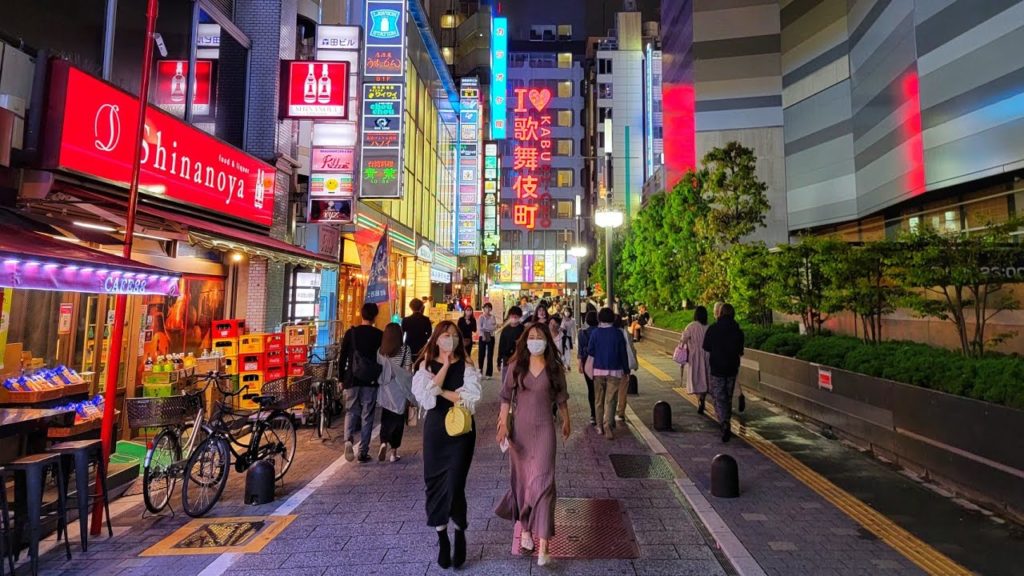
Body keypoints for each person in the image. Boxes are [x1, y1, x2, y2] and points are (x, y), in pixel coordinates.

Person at [495, 323, 570, 567]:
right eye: (531, 337)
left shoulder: (554, 368)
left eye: (539, 337)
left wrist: (567, 420)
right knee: (524, 482)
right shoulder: (517, 366)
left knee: (544, 483)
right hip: (521, 431)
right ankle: (525, 529)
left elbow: (561, 398)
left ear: (547, 341)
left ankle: (544, 545)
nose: (535, 340)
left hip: (546, 429)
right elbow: (506, 398)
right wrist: (503, 424)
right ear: (525, 341)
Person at [412, 321, 482, 569]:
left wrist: (439, 390)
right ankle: (443, 537)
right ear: (436, 339)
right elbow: (424, 398)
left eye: (454, 336)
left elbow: (470, 398)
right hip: (435, 433)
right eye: (445, 335)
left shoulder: (468, 366)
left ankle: (460, 530)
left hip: (461, 432)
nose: (449, 339)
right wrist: (444, 370)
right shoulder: (426, 366)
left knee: (455, 483)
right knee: (434, 484)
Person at [339, 303, 384, 463]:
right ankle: (363, 451)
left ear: (361, 314)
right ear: (375, 316)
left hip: (352, 378)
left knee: (351, 411)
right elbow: (382, 358)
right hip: (370, 379)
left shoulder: (351, 333)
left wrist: (340, 379)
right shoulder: (379, 335)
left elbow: (342, 357)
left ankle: (348, 440)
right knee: (367, 414)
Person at [702, 304, 745, 442]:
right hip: (732, 368)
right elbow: (740, 351)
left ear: (720, 313)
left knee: (718, 396)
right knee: (728, 395)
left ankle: (724, 422)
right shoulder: (737, 330)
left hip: (717, 368)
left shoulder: (713, 329)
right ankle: (726, 419)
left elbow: (706, 347)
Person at [586, 308, 629, 439]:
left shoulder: (595, 333)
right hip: (615, 370)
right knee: (611, 400)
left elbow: (590, 350)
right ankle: (608, 425)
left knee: (598, 399)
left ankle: (599, 426)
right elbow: (623, 353)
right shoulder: (618, 334)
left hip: (598, 370)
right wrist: (626, 370)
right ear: (612, 319)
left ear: (600, 319)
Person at [377, 323, 415, 462]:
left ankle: (383, 442)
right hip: (399, 388)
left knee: (385, 417)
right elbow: (408, 370)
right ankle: (393, 453)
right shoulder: (405, 349)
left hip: (386, 388)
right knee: (398, 419)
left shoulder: (381, 350)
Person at [678, 306, 711, 414]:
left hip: (695, 356)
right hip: (707, 354)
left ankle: (699, 399)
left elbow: (683, 339)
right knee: (705, 376)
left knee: (696, 377)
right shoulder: (708, 327)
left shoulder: (691, 326)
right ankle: (703, 397)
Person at [611, 314, 639, 425]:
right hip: (625, 366)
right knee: (622, 391)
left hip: (613, 366)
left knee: (612, 390)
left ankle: (610, 412)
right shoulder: (625, 332)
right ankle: (621, 413)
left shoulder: (611, 333)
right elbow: (631, 348)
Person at [577, 311, 598, 425]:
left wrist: (580, 364)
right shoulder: (600, 332)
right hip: (599, 363)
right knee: (599, 388)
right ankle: (600, 413)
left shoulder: (582, 333)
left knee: (591, 389)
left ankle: (593, 414)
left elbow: (580, 351)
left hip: (587, 363)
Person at [497, 306, 525, 384]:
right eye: (512, 316)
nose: (514, 318)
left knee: (518, 380)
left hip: (519, 358)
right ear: (509, 316)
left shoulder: (523, 329)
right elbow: (501, 346)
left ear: (520, 317)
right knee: (506, 380)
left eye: (516, 316)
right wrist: (499, 361)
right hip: (507, 359)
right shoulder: (505, 330)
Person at [477, 303, 498, 378]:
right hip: (482, 336)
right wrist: (487, 329)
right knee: (481, 354)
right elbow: (479, 327)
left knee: (490, 355)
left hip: (491, 336)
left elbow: (495, 327)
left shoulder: (493, 317)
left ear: (491, 309)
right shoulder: (481, 317)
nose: (487, 309)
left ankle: (489, 373)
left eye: (489, 308)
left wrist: (486, 327)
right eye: (486, 308)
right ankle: (480, 370)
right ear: (483, 309)